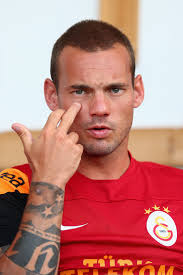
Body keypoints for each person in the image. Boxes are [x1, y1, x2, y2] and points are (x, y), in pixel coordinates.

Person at [0, 19, 182, 275]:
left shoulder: (178, 188)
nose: (100, 109)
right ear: (52, 95)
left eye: (115, 89)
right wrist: (48, 183)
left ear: (137, 92)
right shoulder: (13, 185)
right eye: (81, 91)